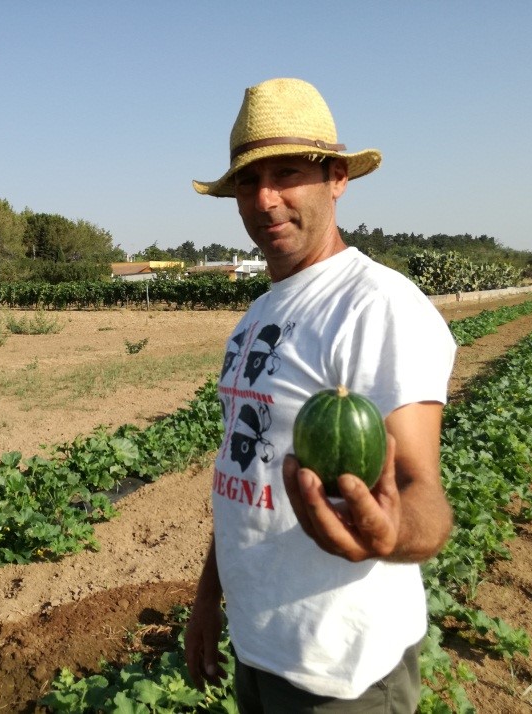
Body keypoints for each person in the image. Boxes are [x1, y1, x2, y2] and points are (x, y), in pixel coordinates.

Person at [184, 77, 457, 713]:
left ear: (336, 177)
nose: (265, 198)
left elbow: (425, 492)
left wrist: (390, 533)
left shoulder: (378, 306)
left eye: (286, 173)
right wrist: (207, 595)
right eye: (248, 183)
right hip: (260, 646)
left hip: (341, 673)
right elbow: (242, 470)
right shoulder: (257, 314)